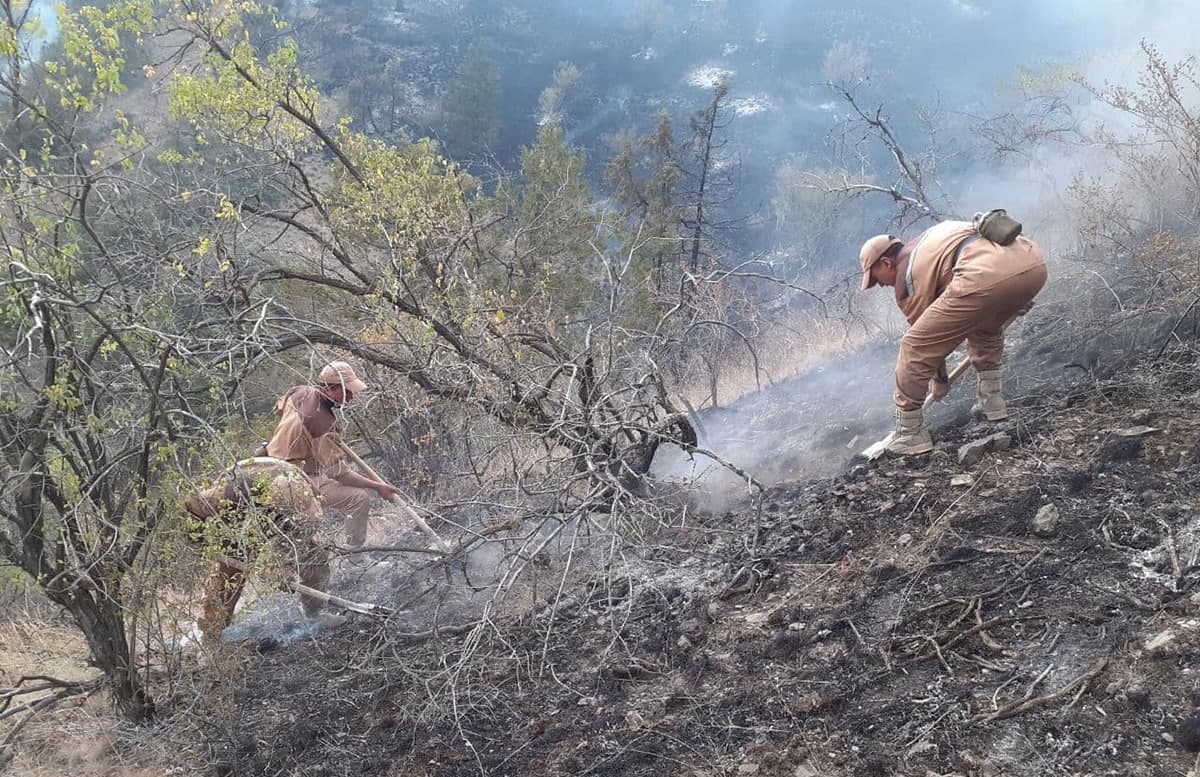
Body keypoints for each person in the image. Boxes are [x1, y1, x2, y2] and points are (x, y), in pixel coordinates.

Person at [858, 217, 1047, 455]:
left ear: (886, 263)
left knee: (913, 346)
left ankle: (910, 434)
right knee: (985, 324)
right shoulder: (931, 239)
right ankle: (992, 401)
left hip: (985, 276)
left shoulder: (906, 276)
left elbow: (927, 344)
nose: (880, 285)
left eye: (875, 278)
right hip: (1032, 264)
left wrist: (939, 382)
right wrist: (1012, 292)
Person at [184, 457, 335, 642]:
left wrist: (285, 567)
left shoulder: (302, 496)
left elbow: (298, 535)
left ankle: (315, 612)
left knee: (316, 557)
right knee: (231, 578)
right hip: (239, 518)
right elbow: (192, 507)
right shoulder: (226, 493)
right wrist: (198, 541)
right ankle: (212, 634)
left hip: (277, 510)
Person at [265, 360, 398, 546]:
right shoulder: (323, 423)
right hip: (292, 478)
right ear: (332, 388)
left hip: (269, 465)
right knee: (359, 498)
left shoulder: (299, 392)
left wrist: (302, 437)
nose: (350, 397)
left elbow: (278, 408)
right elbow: (339, 474)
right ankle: (355, 557)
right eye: (347, 391)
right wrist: (378, 486)